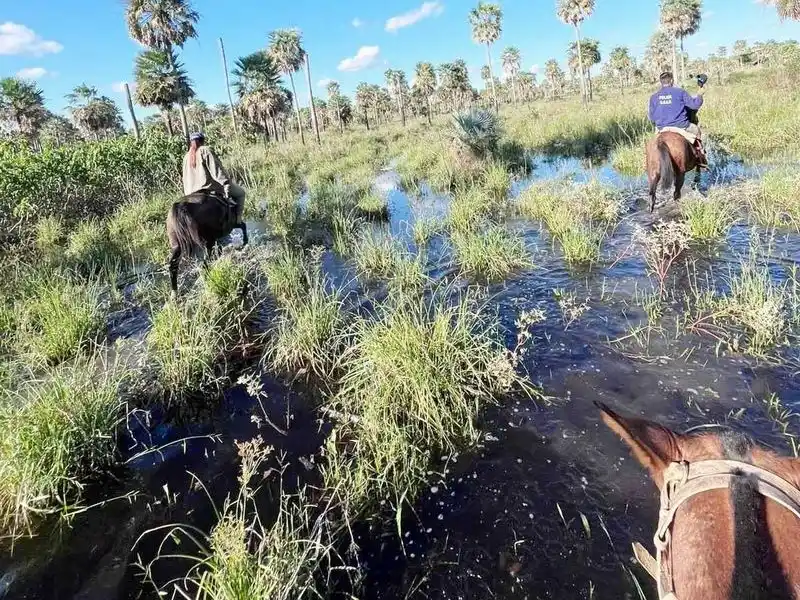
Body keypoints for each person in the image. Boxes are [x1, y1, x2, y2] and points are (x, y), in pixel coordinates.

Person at [182, 132, 246, 225]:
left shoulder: (186, 157)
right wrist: (226, 184)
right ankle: (238, 220)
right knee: (241, 193)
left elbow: (185, 178)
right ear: (203, 141)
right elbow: (217, 172)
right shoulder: (205, 150)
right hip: (208, 190)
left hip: (189, 194)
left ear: (191, 142)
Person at [648, 71, 708, 168]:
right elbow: (694, 105)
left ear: (661, 82)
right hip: (681, 126)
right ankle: (701, 158)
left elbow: (652, 117)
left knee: (652, 144)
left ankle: (647, 163)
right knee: (697, 130)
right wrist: (700, 95)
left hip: (661, 128)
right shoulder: (680, 92)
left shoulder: (653, 97)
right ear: (671, 81)